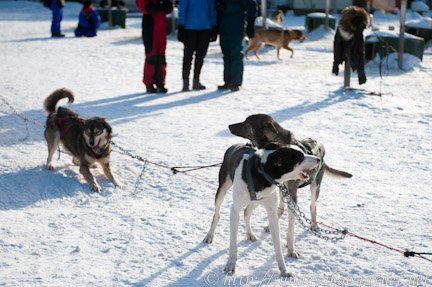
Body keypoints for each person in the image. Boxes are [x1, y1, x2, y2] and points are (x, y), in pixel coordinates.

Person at [217, 0, 257, 92]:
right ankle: (228, 81)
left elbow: (251, 4)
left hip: (236, 25)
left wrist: (251, 23)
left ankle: (236, 82)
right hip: (224, 24)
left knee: (236, 53)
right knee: (226, 53)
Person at [177, 0, 217, 91]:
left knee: (198, 56)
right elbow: (182, 8)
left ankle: (195, 81)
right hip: (191, 28)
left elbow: (212, 9)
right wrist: (181, 25)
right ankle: (187, 82)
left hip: (203, 28)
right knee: (190, 56)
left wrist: (214, 25)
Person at [136, 0, 173, 93]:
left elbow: (169, 6)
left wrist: (167, 6)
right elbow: (142, 5)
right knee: (151, 55)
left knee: (161, 55)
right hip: (150, 24)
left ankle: (160, 82)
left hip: (161, 23)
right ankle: (149, 84)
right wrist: (153, 7)